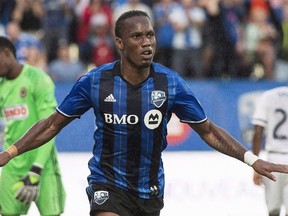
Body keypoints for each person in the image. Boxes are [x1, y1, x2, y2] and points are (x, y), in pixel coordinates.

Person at [0, 10, 288, 216]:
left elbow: (208, 130)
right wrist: (10, 153)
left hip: (149, 189)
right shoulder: (94, 82)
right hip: (106, 184)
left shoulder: (170, 83)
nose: (147, 42)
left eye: (149, 35)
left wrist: (251, 159)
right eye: (137, 36)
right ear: (120, 43)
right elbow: (52, 125)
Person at [0, 36, 66, 216]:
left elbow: (50, 127)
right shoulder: (1, 86)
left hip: (42, 165)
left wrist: (36, 169)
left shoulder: (38, 79)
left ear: (6, 53)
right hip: (12, 165)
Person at [251, 85, 288, 216]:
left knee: (273, 211)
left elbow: (258, 132)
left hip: (274, 160)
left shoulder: (268, 96)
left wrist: (255, 164)